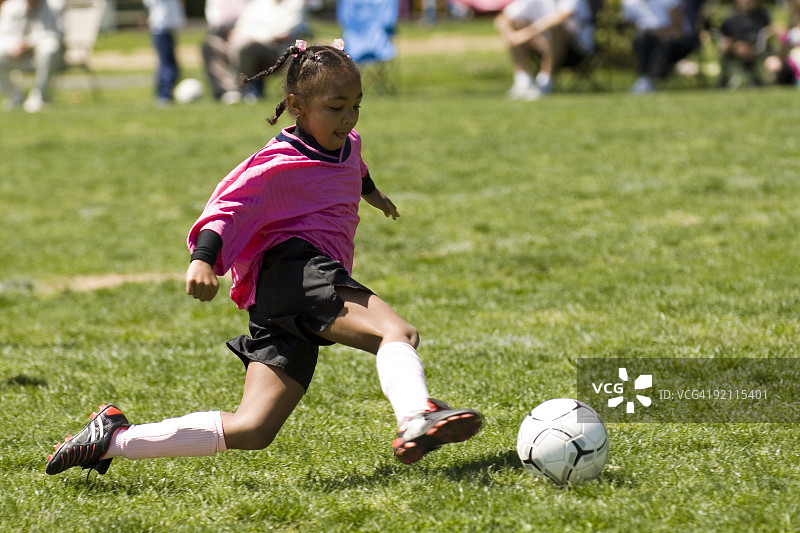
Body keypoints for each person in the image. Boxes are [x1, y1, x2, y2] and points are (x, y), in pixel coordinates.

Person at [45, 40, 483, 477]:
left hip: (280, 300)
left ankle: (113, 438)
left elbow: (355, 165)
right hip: (297, 272)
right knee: (396, 333)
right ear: (296, 105)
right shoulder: (275, 163)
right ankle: (415, 417)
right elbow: (226, 209)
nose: (348, 117)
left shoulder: (346, 140)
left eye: (356, 105)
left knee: (253, 428)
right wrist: (203, 260)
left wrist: (374, 195)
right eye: (335, 107)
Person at [495, 0, 596, 100]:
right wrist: (512, 35)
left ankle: (545, 82)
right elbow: (502, 18)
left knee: (556, 29)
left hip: (576, 50)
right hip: (543, 47)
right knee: (517, 25)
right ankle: (523, 81)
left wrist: (527, 33)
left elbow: (561, 16)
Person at [228, 0, 307, 103]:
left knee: (245, 47)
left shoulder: (296, 3)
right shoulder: (256, 4)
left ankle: (247, 87)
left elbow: (283, 33)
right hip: (252, 44)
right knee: (222, 45)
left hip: (280, 49)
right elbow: (240, 28)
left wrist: (251, 35)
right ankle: (234, 89)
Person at [622, 0, 699, 93]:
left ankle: (649, 79)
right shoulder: (629, 2)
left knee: (666, 43)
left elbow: (679, 31)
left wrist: (659, 33)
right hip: (649, 41)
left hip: (679, 41)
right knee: (642, 38)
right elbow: (634, 26)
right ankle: (645, 79)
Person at [0, 0, 62, 112]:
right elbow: (3, 34)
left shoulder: (55, 6)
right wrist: (14, 46)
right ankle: (15, 94)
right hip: (17, 55)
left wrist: (29, 43)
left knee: (49, 47)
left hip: (45, 56)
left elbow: (56, 34)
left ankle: (39, 94)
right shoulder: (11, 6)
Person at [717, 0, 770, 88]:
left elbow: (761, 34)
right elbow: (724, 32)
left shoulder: (760, 16)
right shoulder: (731, 16)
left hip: (753, 46)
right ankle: (724, 78)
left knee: (741, 49)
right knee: (725, 46)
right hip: (733, 46)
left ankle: (752, 78)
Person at [201, 0, 246, 103]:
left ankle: (245, 88)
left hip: (242, 28)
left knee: (241, 48)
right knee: (209, 46)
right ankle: (226, 89)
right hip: (219, 30)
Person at [143, 0, 185, 106]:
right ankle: (164, 95)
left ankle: (167, 94)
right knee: (167, 65)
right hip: (161, 28)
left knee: (171, 65)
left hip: (166, 28)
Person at [764, 0, 800, 88]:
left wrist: (782, 34)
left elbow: (792, 36)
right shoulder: (786, 15)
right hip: (789, 61)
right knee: (772, 62)